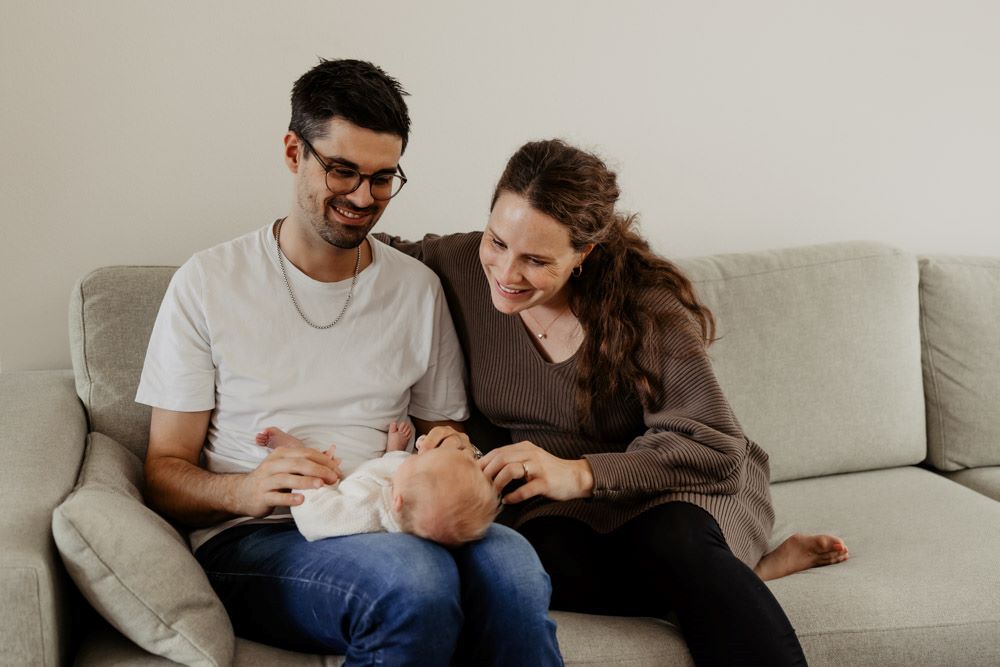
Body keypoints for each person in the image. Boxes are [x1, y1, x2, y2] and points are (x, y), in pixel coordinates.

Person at [137, 59, 561, 665]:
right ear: (293, 152)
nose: (364, 198)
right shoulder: (208, 282)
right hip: (259, 538)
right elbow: (163, 471)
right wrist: (244, 490)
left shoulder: (416, 289)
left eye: (383, 177)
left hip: (395, 512)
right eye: (342, 171)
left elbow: (447, 430)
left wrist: (445, 452)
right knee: (413, 584)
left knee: (514, 573)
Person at [380, 138, 849, 666]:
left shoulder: (642, 306)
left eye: (536, 260)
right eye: (498, 241)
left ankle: (719, 572)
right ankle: (745, 576)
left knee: (673, 545)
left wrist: (578, 473)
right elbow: (358, 248)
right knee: (522, 561)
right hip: (564, 508)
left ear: (584, 254)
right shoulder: (460, 263)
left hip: (679, 488)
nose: (506, 273)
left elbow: (716, 447)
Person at [256, 423, 500, 546]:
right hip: (365, 473)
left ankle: (293, 448)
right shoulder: (416, 499)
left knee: (306, 457)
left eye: (419, 460)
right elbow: (395, 468)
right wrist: (395, 451)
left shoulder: (363, 510)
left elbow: (316, 517)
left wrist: (311, 474)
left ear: (397, 499)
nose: (419, 452)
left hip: (334, 485)